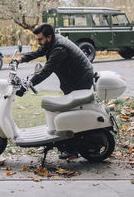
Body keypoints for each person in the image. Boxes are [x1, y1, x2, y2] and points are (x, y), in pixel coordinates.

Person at [17, 23, 94, 159]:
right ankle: (69, 146)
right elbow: (40, 51)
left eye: (40, 39)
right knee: (65, 111)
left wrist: (28, 84)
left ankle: (72, 150)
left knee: (68, 114)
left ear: (49, 37)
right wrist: (22, 58)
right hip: (73, 80)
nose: (38, 42)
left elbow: (46, 71)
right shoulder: (52, 42)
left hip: (80, 81)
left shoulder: (59, 49)